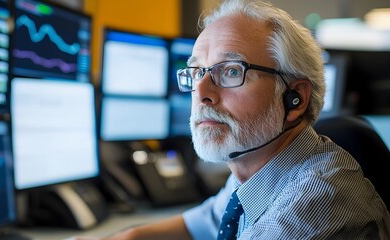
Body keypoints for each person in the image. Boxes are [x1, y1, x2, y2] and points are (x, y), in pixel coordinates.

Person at [76, 0, 390, 239]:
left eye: (230, 71)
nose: (201, 92)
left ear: (295, 99)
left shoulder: (314, 206)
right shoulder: (260, 168)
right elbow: (201, 222)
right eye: (197, 71)